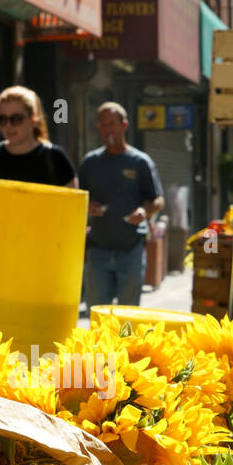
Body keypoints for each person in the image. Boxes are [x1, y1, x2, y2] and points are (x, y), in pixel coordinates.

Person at [77, 102, 164, 310]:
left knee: (127, 317)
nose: (108, 129)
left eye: (112, 124)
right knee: (98, 317)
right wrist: (88, 207)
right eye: (103, 124)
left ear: (124, 125)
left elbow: (158, 200)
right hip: (98, 251)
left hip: (131, 250)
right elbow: (77, 198)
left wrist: (145, 211)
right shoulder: (91, 162)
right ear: (99, 128)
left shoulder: (140, 161)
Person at [0, 86, 76, 187]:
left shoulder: (56, 159)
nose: (8, 125)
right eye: (2, 119)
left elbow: (73, 205)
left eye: (16, 118)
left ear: (33, 119)